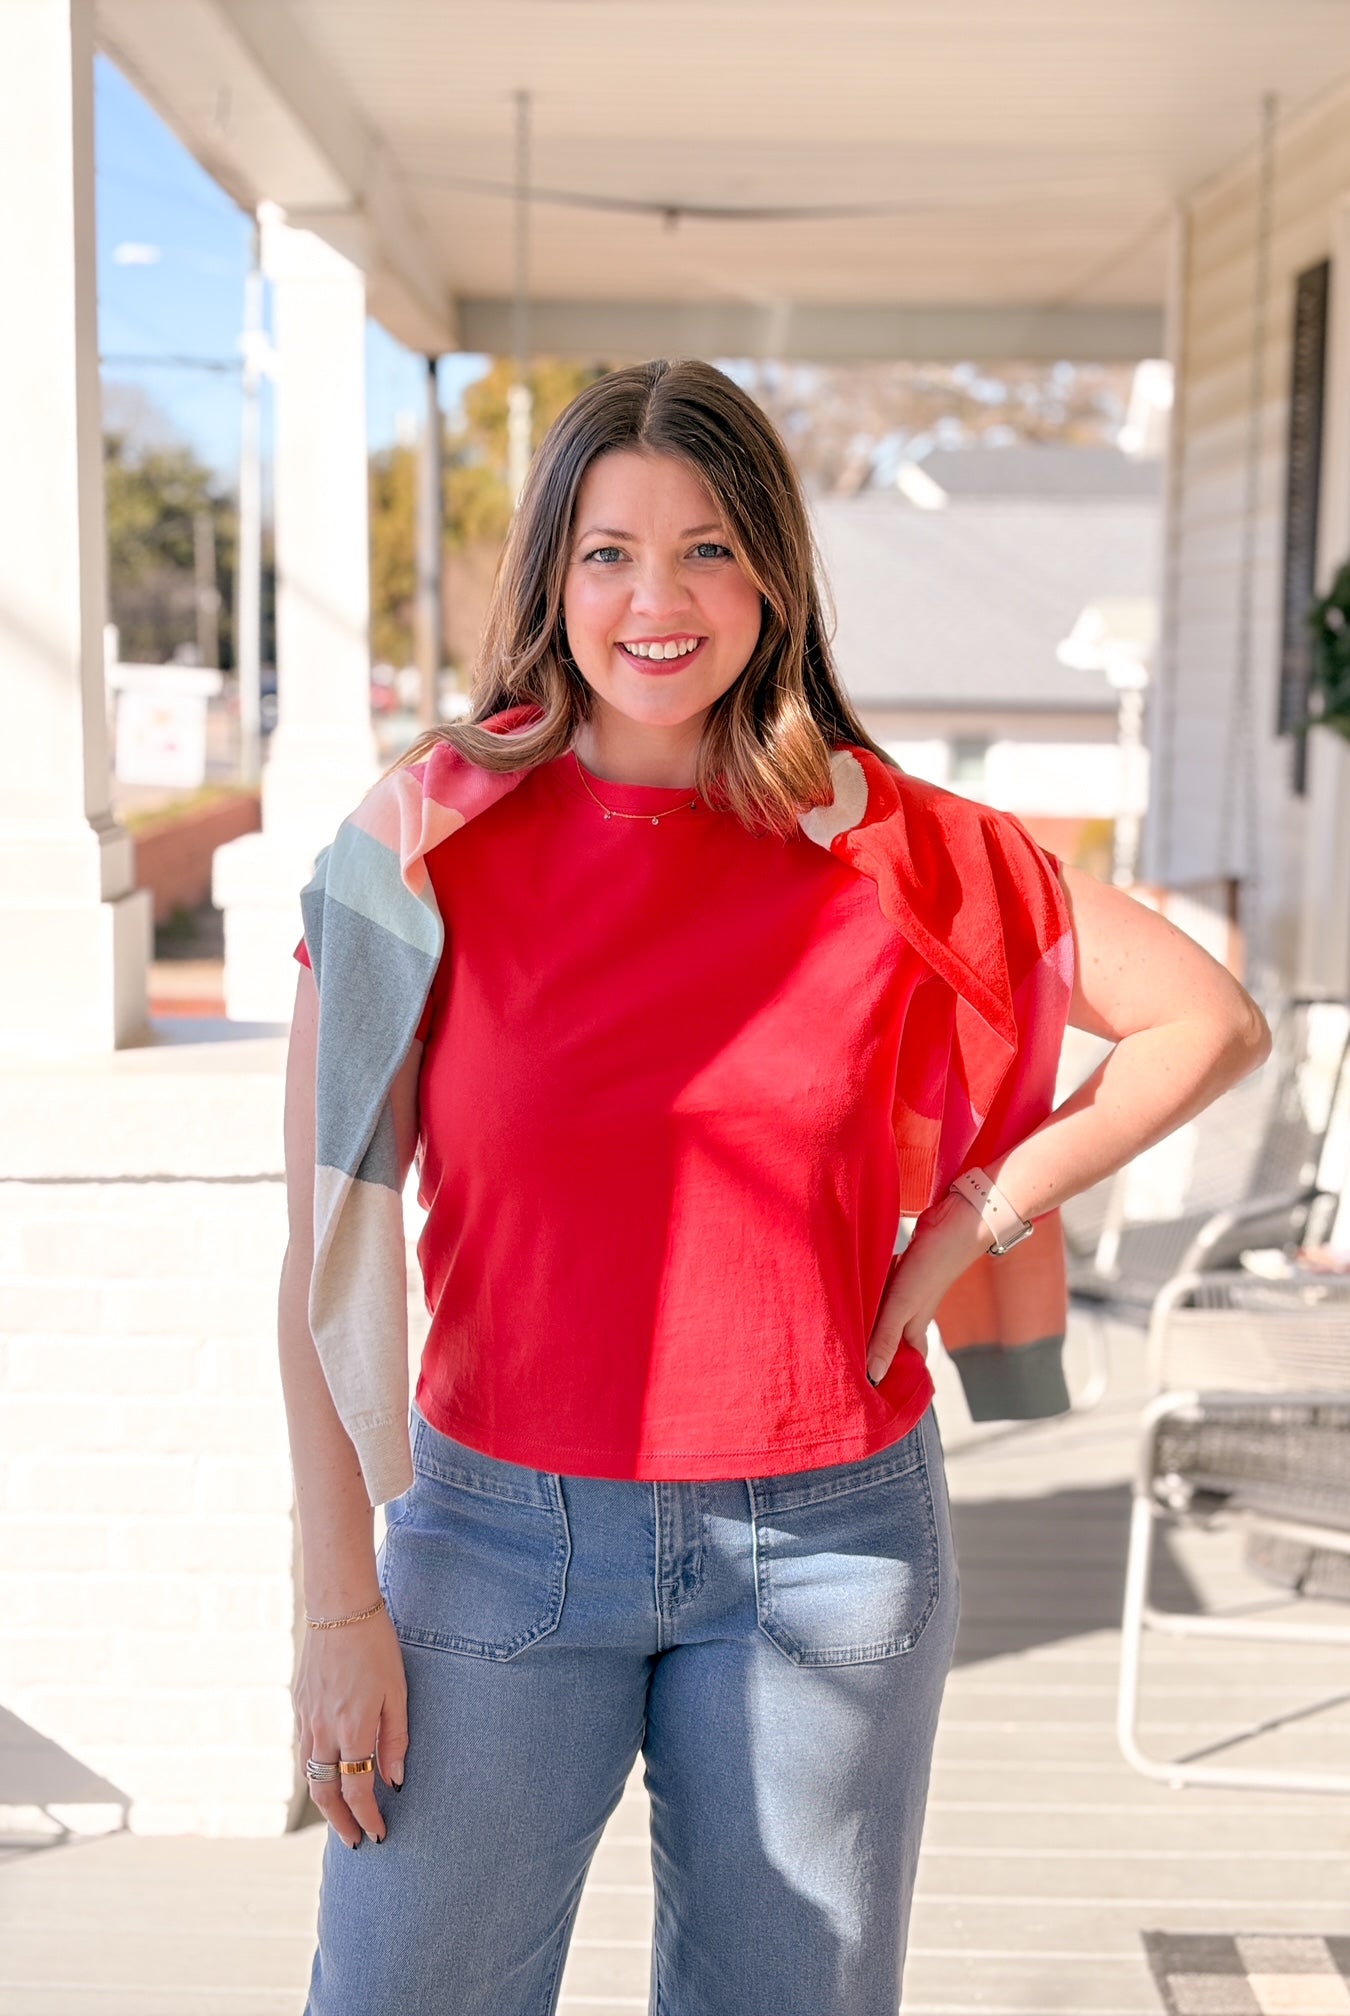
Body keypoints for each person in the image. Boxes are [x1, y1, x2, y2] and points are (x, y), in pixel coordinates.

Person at [279, 359, 1269, 2016]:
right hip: (495, 1543)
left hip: (829, 1544)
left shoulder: (896, 847)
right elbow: (316, 1258)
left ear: (775, 582)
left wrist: (973, 1214)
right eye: (607, 552)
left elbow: (1205, 1021)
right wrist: (332, 1609)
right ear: (550, 578)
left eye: (709, 550)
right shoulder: (413, 847)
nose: (655, 600)